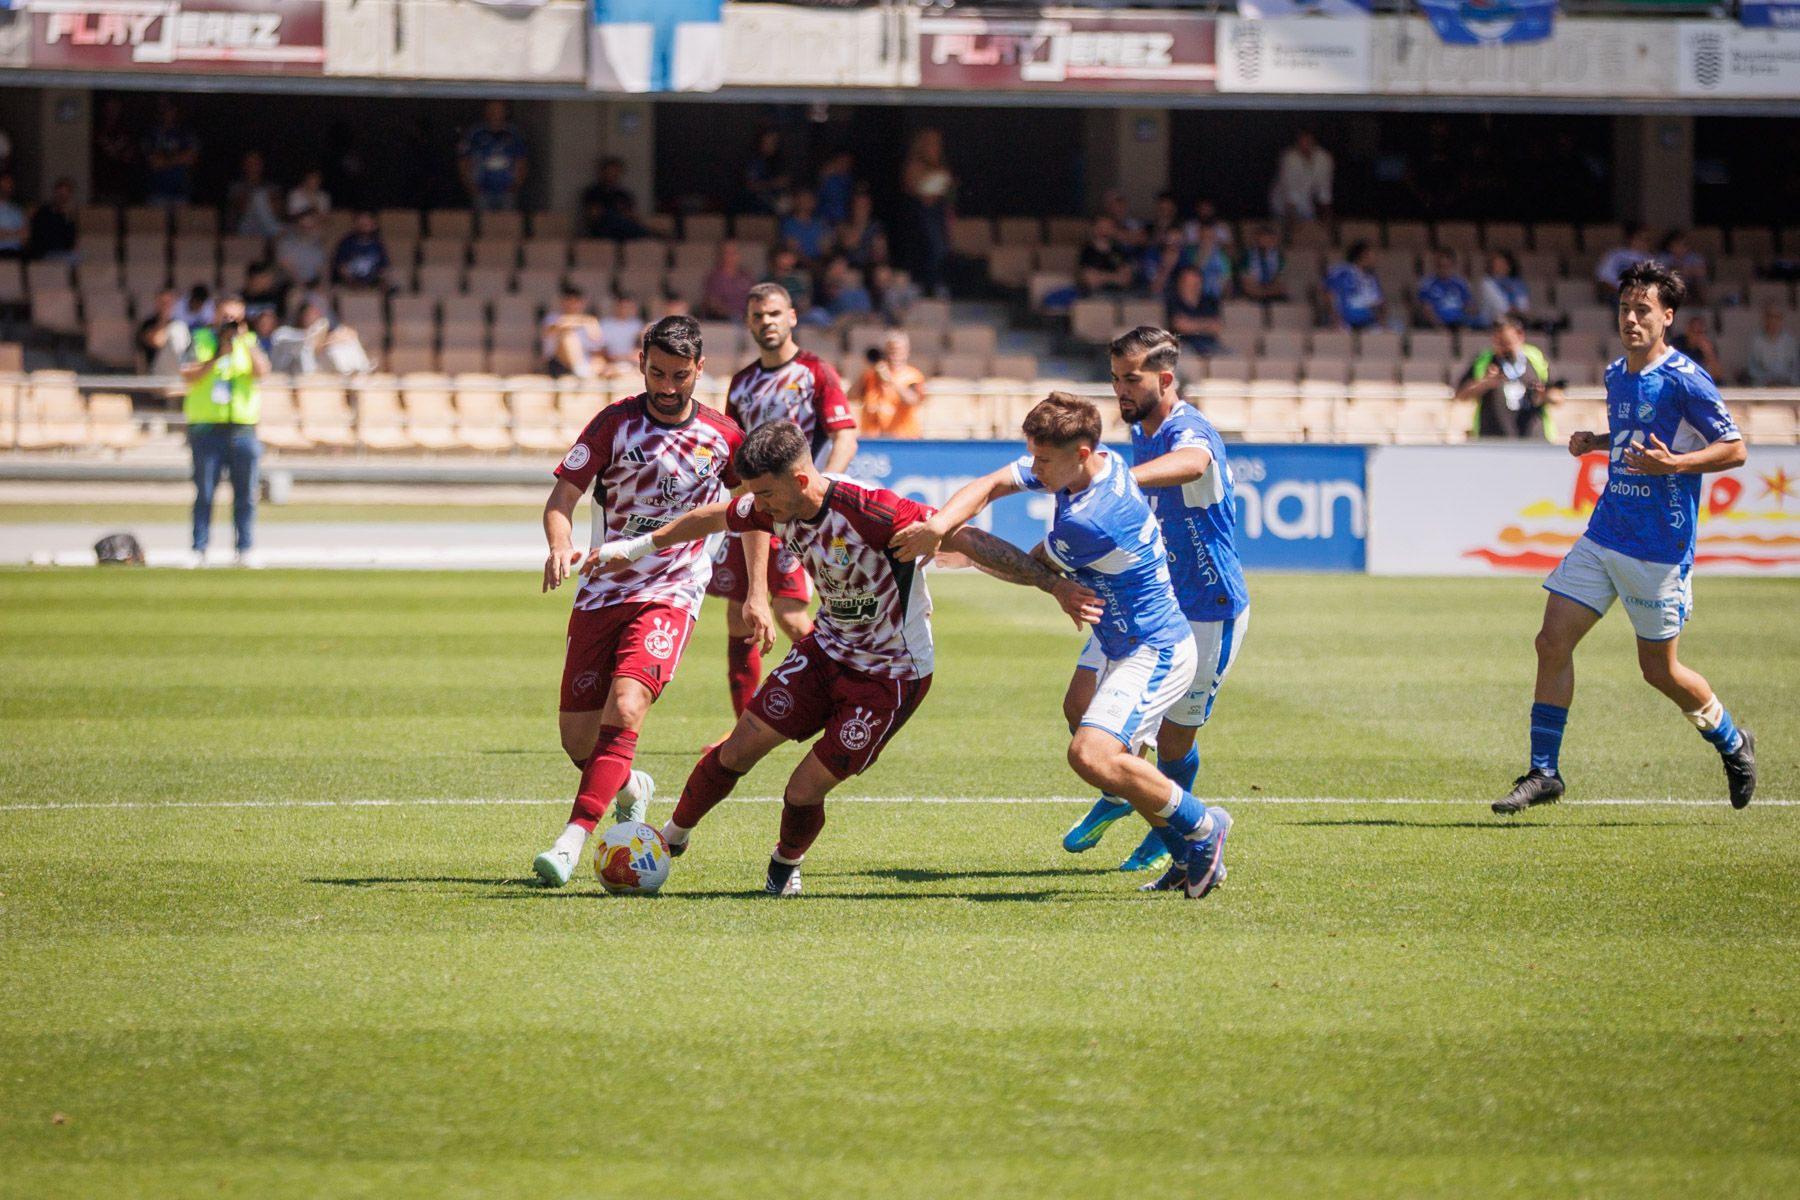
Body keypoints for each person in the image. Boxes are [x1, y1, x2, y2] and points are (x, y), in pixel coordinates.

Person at [587, 419, 1094, 896]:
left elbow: (970, 540)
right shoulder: (773, 505)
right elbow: (716, 516)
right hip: (826, 651)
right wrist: (635, 548)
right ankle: (672, 836)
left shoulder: (874, 512)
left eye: (764, 492)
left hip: (891, 676)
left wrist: (1052, 585)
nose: (756, 504)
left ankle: (785, 865)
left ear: (802, 479)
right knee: (737, 749)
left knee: (802, 790)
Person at [892, 394, 1235, 900]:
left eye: (1042, 460)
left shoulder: (1091, 518)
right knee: (1104, 747)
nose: (1034, 469)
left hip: (1155, 647)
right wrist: (943, 529)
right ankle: (1184, 853)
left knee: (1092, 755)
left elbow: (1032, 566)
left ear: (1079, 451)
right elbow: (991, 484)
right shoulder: (1103, 464)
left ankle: (1205, 827)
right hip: (1123, 635)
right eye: (1032, 456)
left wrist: (957, 549)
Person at [1495, 260, 1756, 816]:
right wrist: (1598, 441)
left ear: (1667, 316)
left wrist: (1677, 465)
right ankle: (1545, 771)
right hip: (1606, 530)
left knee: (1659, 671)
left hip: (1659, 547)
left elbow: (1735, 449)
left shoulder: (1687, 378)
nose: (1632, 319)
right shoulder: (1618, 373)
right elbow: (1636, 433)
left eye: (1643, 310)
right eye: (1624, 309)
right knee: (1550, 642)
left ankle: (1732, 740)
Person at [531, 315, 768, 888]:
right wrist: (560, 545)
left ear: (700, 371)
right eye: (656, 373)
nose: (666, 387)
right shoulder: (614, 424)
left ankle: (572, 839)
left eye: (679, 376)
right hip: (602, 589)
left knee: (629, 703)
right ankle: (630, 785)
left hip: (673, 590)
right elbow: (562, 496)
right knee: (577, 740)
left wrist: (757, 590)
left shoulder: (724, 436)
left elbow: (754, 510)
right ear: (641, 365)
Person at [1048, 328, 1251, 884]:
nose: (1120, 390)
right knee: (1078, 707)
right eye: (1115, 378)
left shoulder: (1187, 427)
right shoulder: (1142, 427)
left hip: (1206, 606)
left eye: (1130, 378)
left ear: (1165, 378)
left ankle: (1174, 837)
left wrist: (1118, 485)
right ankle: (1131, 796)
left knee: (1173, 741)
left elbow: (1193, 461)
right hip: (1145, 600)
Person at [706, 282, 858, 713]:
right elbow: (733, 448)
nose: (766, 322)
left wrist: (824, 488)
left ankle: (843, 695)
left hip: (795, 509)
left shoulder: (814, 372)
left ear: (791, 317)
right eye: (757, 316)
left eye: (774, 314)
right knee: (739, 617)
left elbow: (845, 436)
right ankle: (743, 724)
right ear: (748, 322)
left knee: (791, 614)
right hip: (752, 509)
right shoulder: (742, 382)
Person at [179, 295, 269, 568]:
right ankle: (199, 548)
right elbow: (188, 374)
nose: (229, 322)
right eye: (225, 316)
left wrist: (243, 340)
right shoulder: (201, 339)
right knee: (205, 492)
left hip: (242, 428)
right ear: (214, 316)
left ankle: (245, 548)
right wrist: (218, 352)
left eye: (235, 317)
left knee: (246, 494)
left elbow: (262, 371)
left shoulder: (249, 342)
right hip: (208, 428)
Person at [1456, 312, 1555, 440]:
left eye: (1507, 342)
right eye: (1497, 342)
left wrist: (1544, 396)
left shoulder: (1536, 358)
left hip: (1534, 439)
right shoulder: (1484, 360)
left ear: (1520, 336)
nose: (1503, 348)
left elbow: (1557, 396)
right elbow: (1461, 395)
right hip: (1492, 438)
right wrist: (1485, 383)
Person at [901, 128, 955, 297]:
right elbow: (924, 195)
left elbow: (947, 190)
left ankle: (936, 284)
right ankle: (923, 285)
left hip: (938, 216)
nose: (936, 148)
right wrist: (936, 185)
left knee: (942, 250)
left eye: (938, 144)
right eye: (931, 144)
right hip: (921, 216)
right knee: (932, 249)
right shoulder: (913, 167)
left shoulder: (941, 167)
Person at [457, 100, 527, 213]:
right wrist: (470, 186)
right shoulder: (474, 133)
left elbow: (521, 161)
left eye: (499, 111)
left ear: (505, 112)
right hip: (481, 189)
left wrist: (516, 185)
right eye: (492, 110)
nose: (495, 114)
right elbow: (464, 160)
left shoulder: (513, 133)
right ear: (486, 112)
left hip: (507, 190)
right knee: (483, 225)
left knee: (507, 225)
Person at [855, 330, 926, 438]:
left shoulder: (913, 376)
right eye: (891, 351)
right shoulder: (870, 375)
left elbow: (912, 400)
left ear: (907, 351)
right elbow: (851, 396)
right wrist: (866, 369)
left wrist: (890, 379)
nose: (894, 355)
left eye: (898, 351)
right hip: (872, 438)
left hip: (903, 438)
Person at [143, 98, 200, 208]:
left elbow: (192, 158)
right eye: (163, 108)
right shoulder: (151, 135)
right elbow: (155, 163)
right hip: (156, 194)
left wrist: (165, 160)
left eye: (170, 108)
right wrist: (180, 158)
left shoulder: (185, 133)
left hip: (181, 194)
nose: (167, 112)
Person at [540, 285, 607, 379]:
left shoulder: (590, 322)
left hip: (586, 363)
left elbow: (597, 344)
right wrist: (584, 322)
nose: (572, 304)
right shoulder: (552, 318)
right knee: (568, 335)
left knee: (599, 359)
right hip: (558, 363)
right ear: (562, 302)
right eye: (569, 300)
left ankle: (586, 372)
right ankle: (582, 371)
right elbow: (555, 327)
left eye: (576, 301)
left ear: (582, 303)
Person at [1269, 129, 1333, 227]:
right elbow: (1290, 189)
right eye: (1301, 142)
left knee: (1312, 229)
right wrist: (1292, 217)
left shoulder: (1324, 158)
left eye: (1308, 142)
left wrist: (1327, 216)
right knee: (1285, 229)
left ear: (1314, 142)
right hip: (1282, 203)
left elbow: (1324, 189)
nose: (1305, 146)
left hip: (1306, 203)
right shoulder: (1289, 159)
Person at [580, 156, 648, 241]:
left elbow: (631, 215)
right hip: (601, 230)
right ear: (602, 172)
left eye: (616, 172)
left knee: (627, 225)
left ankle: (649, 234)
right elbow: (593, 214)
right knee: (610, 217)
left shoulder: (624, 194)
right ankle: (649, 234)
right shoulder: (592, 192)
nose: (612, 175)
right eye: (610, 171)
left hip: (624, 230)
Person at [1324, 241, 1386, 331]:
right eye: (1372, 255)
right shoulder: (1341, 272)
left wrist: (1383, 324)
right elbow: (1329, 293)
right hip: (1346, 319)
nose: (1375, 259)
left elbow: (1379, 303)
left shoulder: (1372, 277)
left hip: (1369, 321)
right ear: (1363, 255)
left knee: (1395, 330)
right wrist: (1337, 320)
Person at [1166, 265, 1222, 358]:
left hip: (1210, 345)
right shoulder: (1173, 301)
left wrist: (1191, 324)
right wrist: (1206, 324)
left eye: (1196, 283)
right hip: (1185, 345)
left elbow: (1217, 327)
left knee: (1233, 358)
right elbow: (1181, 326)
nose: (1193, 287)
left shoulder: (1209, 302)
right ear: (1181, 283)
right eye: (1189, 283)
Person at [226, 151, 284, 239]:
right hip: (247, 228)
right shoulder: (237, 187)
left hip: (266, 226)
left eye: (256, 163)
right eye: (250, 163)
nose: (253, 166)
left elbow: (278, 209)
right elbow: (243, 207)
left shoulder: (271, 186)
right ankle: (275, 230)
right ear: (244, 166)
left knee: (259, 197)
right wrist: (263, 200)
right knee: (258, 197)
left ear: (262, 165)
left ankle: (274, 229)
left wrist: (259, 201)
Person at [136, 288, 191, 376]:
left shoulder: (180, 325)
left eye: (169, 302)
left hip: (177, 375)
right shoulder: (148, 324)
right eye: (163, 302)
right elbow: (157, 341)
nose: (166, 306)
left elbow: (184, 351)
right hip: (155, 375)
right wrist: (163, 319)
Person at [1417, 249, 1476, 330]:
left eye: (1447, 266)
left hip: (1459, 323)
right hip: (1437, 324)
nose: (1444, 270)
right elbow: (1427, 309)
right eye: (1441, 266)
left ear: (1453, 265)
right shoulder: (1427, 284)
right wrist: (1439, 326)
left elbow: (1469, 306)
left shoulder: (1461, 284)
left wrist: (1465, 322)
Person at [332, 211, 391, 291]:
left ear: (374, 225)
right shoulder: (346, 243)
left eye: (367, 223)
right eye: (361, 223)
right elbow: (341, 267)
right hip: (349, 285)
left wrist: (379, 281)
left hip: (371, 285)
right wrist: (354, 282)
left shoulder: (378, 245)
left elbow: (383, 268)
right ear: (355, 224)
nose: (364, 225)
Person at [1593, 225, 1653, 304]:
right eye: (1642, 239)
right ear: (1631, 239)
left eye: (1647, 239)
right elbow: (1603, 281)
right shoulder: (1614, 255)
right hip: (1617, 294)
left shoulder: (1650, 259)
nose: (1645, 242)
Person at [1077, 214, 1133, 297]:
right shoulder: (1087, 252)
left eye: (1109, 227)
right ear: (1094, 229)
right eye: (1102, 227)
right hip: (1094, 297)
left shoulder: (1120, 251)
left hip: (1120, 296)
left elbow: (1126, 280)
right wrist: (1116, 276)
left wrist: (1101, 275)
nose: (1105, 231)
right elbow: (1091, 281)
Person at [1745, 303, 1799, 387]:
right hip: (1763, 386)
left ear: (1781, 319)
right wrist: (1765, 380)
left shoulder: (1790, 341)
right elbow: (1752, 368)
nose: (1773, 320)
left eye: (1777, 317)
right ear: (1764, 318)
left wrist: (1788, 380)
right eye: (1770, 316)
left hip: (1787, 385)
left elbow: (1796, 367)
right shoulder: (1755, 341)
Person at [27, 177, 78, 263]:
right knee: (73, 259)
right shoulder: (42, 212)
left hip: (61, 253)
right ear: (54, 193)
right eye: (60, 195)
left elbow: (70, 242)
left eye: (65, 197)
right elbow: (39, 238)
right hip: (43, 253)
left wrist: (68, 219)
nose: (62, 199)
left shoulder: (68, 216)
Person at [275, 208, 329, 289]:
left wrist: (324, 285)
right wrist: (301, 285)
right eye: (304, 226)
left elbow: (323, 268)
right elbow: (286, 266)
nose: (307, 229)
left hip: (312, 284)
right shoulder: (286, 243)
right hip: (290, 284)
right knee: (297, 297)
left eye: (311, 226)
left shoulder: (318, 246)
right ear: (297, 225)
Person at [700, 241, 754, 321]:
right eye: (727, 253)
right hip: (724, 319)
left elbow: (754, 297)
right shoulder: (714, 278)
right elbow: (712, 303)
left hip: (746, 317)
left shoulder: (746, 276)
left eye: (734, 253)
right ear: (720, 256)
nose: (731, 256)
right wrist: (731, 313)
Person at [1478, 250, 1531, 329]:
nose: (1500, 267)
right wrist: (1514, 311)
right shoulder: (1487, 283)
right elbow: (1500, 308)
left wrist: (1518, 312)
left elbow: (1524, 307)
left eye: (1502, 264)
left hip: (1517, 323)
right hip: (1491, 325)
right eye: (1496, 265)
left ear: (1509, 266)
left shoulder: (1519, 284)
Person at [1236, 224, 1288, 303]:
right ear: (1256, 240)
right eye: (1263, 239)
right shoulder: (1246, 257)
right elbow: (1246, 284)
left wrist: (1267, 291)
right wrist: (1260, 292)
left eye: (1269, 240)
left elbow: (1280, 284)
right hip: (1252, 294)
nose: (1266, 242)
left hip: (1273, 294)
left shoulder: (1279, 258)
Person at [596, 293, 646, 373]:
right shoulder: (604, 324)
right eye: (621, 306)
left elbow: (641, 349)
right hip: (609, 364)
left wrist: (627, 357)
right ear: (616, 306)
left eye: (628, 307)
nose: (624, 309)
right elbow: (600, 349)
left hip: (633, 364)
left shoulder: (639, 325)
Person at [779, 189, 833, 264]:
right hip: (798, 264)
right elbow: (793, 250)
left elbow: (826, 248)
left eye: (809, 199)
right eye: (803, 199)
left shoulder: (821, 223)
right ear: (796, 201)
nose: (806, 202)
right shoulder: (789, 224)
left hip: (820, 263)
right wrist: (810, 264)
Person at [1671, 315, 1722, 380]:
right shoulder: (1677, 344)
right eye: (1694, 331)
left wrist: (1709, 354)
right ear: (1688, 331)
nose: (1698, 336)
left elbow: (1717, 375)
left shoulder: (1707, 347)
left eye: (1701, 332)